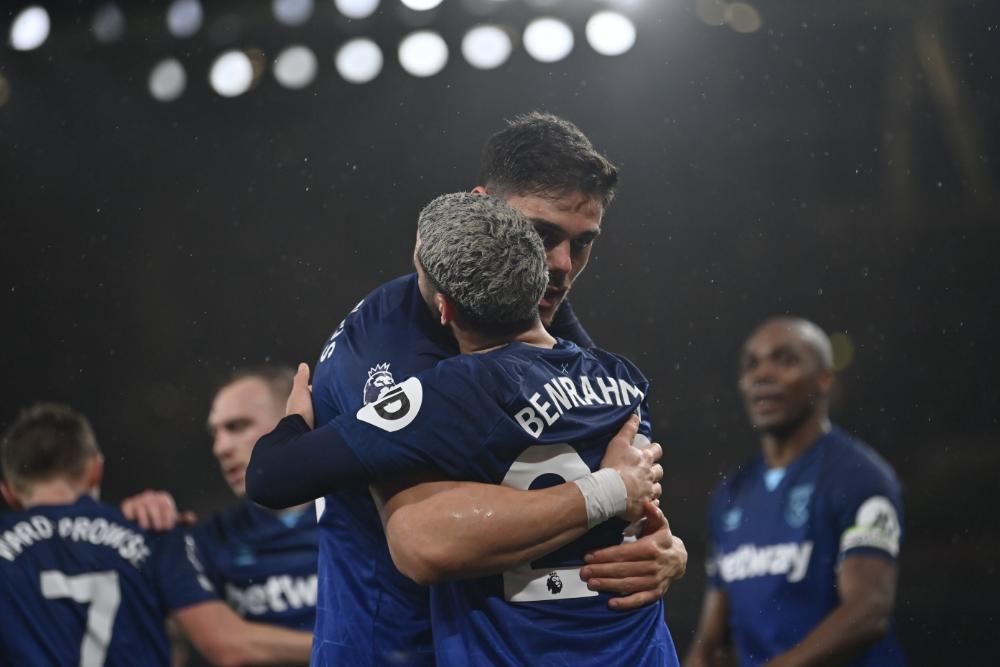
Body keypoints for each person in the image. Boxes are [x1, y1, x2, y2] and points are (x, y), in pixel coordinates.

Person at [247, 113, 687, 664]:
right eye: (543, 234)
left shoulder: (544, 323)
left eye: (583, 243)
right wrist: (610, 493)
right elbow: (424, 542)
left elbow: (611, 463)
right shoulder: (391, 349)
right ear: (482, 208)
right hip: (393, 651)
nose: (560, 265)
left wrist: (666, 549)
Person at [0, 403, 313, 666]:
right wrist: (348, 647)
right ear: (95, 469)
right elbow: (228, 644)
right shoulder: (153, 530)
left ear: (8, 493)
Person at [684, 318, 906, 667]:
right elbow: (711, 640)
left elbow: (869, 610)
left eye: (784, 360)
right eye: (751, 365)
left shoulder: (860, 476)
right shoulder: (731, 494)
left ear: (825, 379)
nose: (762, 375)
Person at [122, 368, 318, 637]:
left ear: (296, 419)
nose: (220, 448)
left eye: (238, 426)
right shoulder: (212, 540)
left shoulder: (365, 520)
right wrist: (136, 532)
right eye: (215, 433)